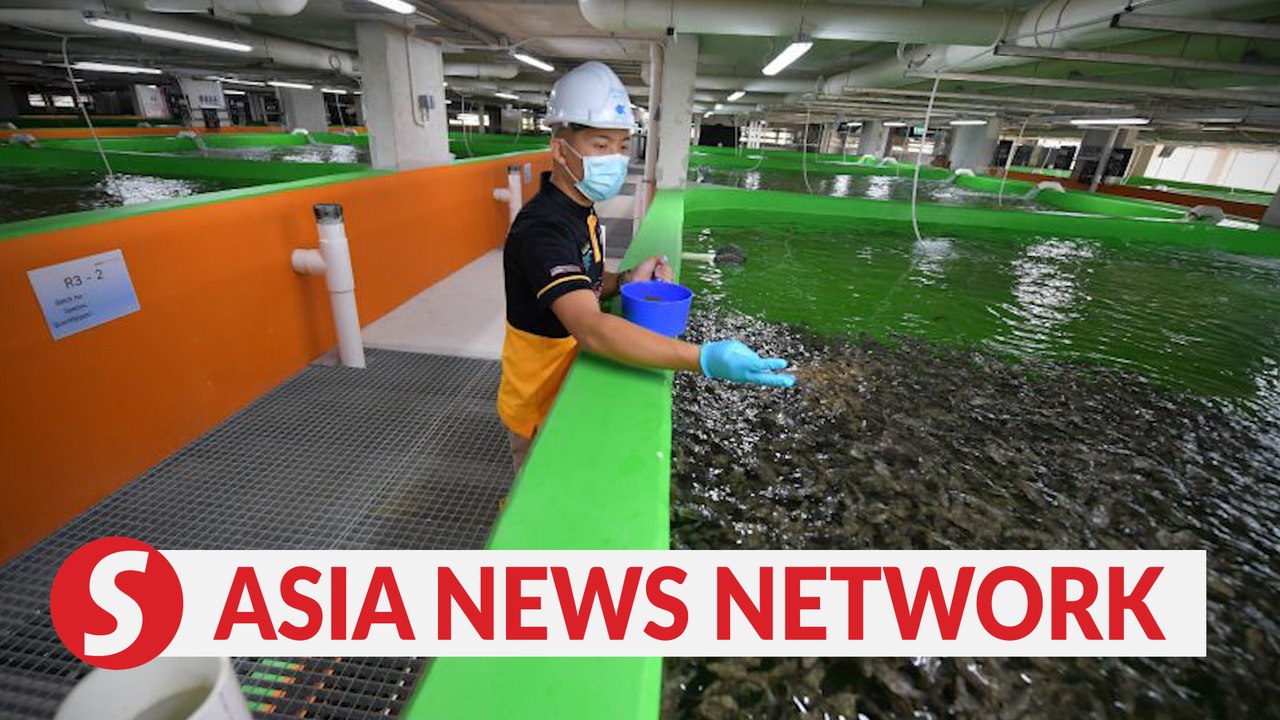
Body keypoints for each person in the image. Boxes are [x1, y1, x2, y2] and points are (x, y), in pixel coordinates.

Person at [499, 61, 794, 470]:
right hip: (539, 401)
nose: (615, 159)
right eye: (600, 146)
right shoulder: (542, 229)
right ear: (559, 149)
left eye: (621, 147)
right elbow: (590, 328)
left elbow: (581, 286)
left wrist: (623, 281)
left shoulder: (579, 209)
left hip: (567, 381)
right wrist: (703, 358)